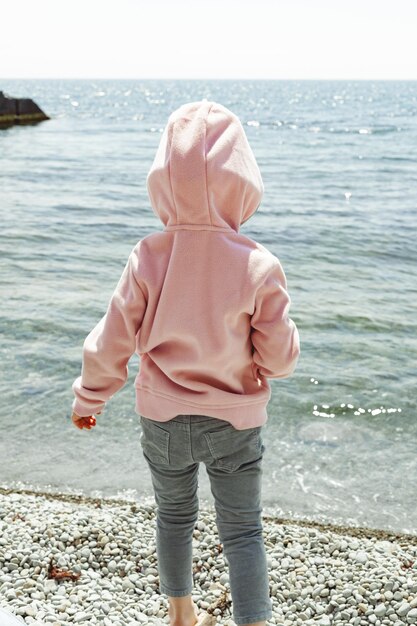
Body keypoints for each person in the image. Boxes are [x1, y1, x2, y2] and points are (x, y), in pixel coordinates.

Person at [71, 100, 300, 626]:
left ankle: (181, 615)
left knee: (174, 517)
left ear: (165, 181)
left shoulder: (147, 255)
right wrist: (269, 355)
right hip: (234, 422)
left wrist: (91, 396)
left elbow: (113, 339)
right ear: (242, 180)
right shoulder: (259, 264)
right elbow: (281, 359)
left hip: (163, 419)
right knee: (242, 530)